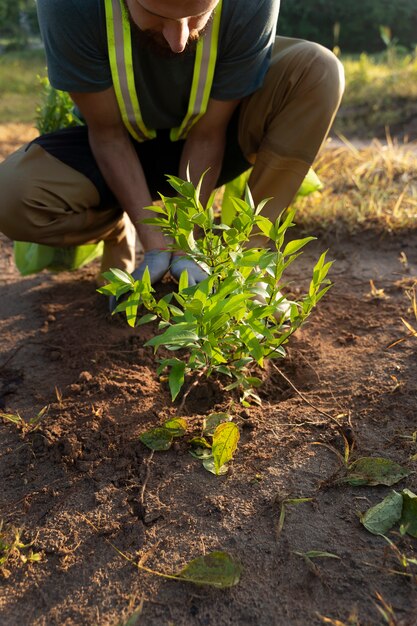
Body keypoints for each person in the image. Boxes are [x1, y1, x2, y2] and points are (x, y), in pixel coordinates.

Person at [0, 0, 344, 289]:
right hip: (116, 142)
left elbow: (209, 133)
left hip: (214, 137)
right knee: (9, 199)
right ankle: (116, 224)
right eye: (159, 17)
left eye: (197, 16)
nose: (179, 41)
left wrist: (184, 246)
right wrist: (155, 246)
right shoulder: (68, 6)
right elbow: (108, 135)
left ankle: (241, 268)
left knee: (319, 69)